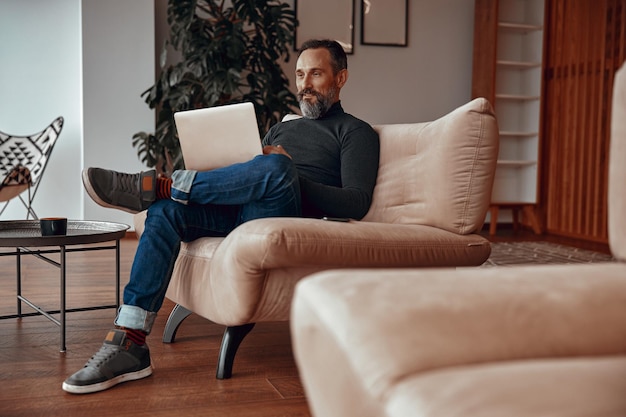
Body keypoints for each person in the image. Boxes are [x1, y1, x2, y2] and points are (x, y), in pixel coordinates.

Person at [62, 39, 380, 394]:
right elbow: (248, 175)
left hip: (288, 216)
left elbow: (355, 202)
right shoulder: (281, 129)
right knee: (164, 212)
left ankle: (162, 184)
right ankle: (130, 341)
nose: (304, 84)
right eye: (300, 74)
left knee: (274, 167)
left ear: (341, 78)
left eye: (316, 74)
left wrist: (287, 170)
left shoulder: (355, 132)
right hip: (245, 210)